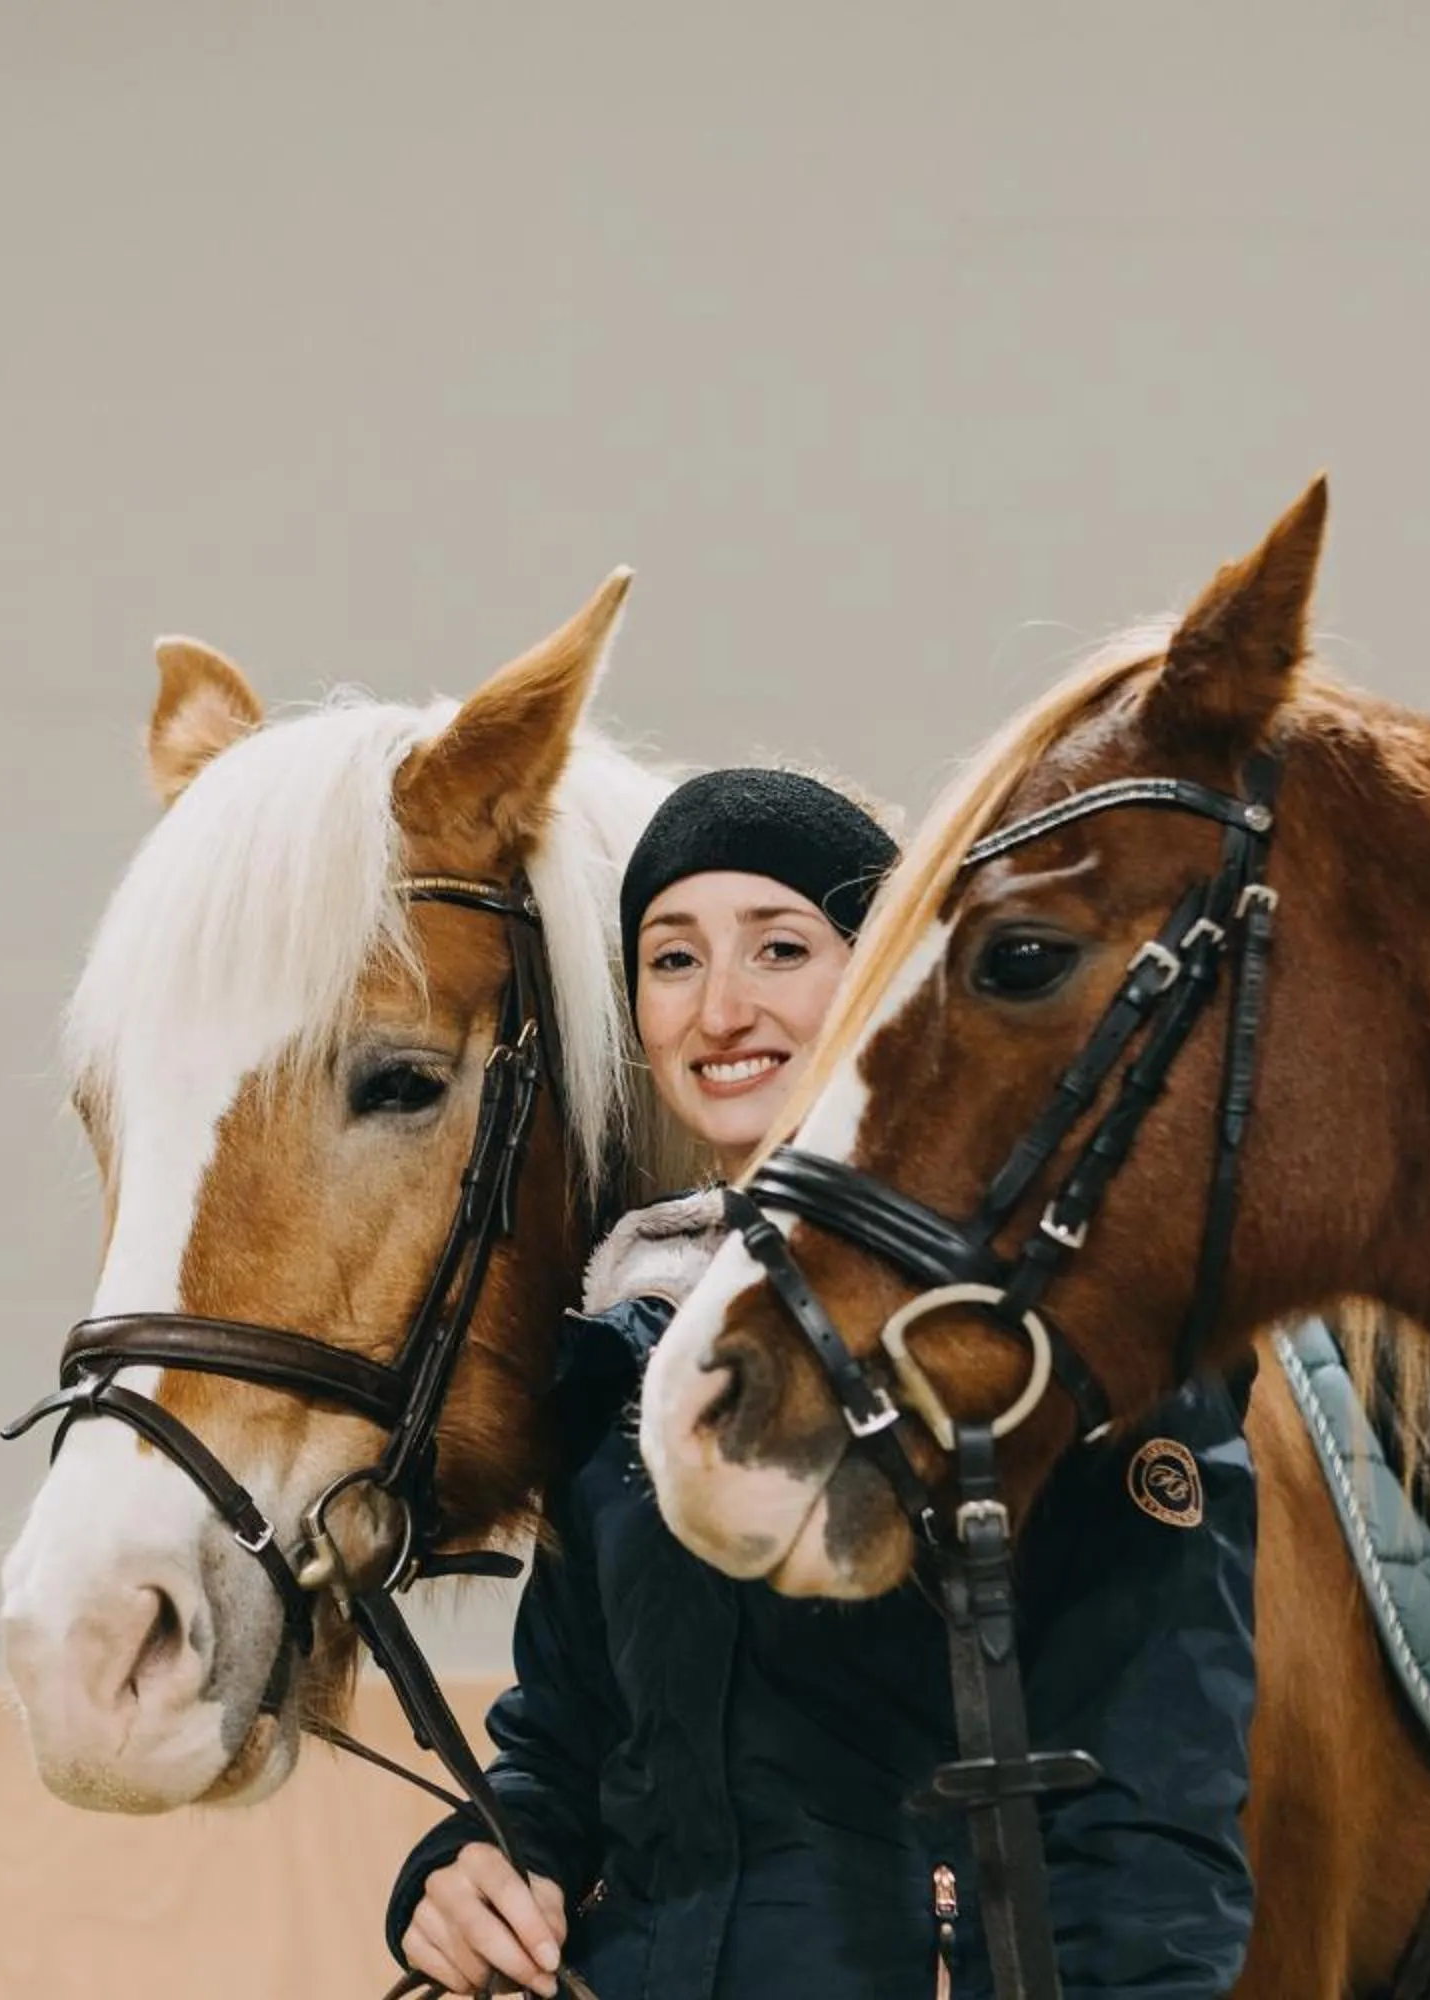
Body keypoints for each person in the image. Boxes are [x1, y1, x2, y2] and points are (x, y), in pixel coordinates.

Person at [386, 768, 1261, 1999]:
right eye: (673, 959)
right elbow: (568, 1745)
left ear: (882, 975)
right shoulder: (628, 1338)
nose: (722, 1008)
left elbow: (1151, 1819)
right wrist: (481, 1856)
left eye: (781, 947)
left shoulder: (1050, 1328)